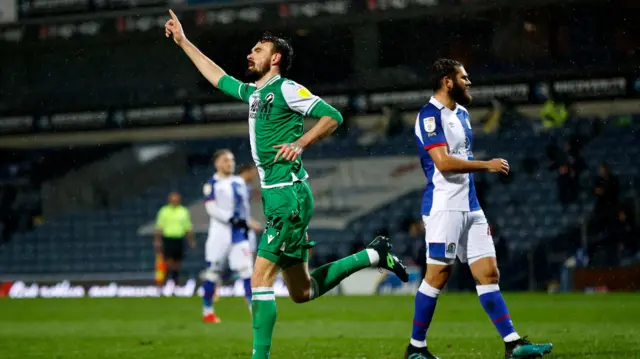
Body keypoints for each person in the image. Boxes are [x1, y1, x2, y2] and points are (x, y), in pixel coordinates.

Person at [165, 10, 409, 359]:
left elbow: (333, 116)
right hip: (280, 196)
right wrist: (184, 41)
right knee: (302, 291)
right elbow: (216, 76)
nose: (250, 54)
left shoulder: (287, 89)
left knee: (259, 280)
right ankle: (374, 254)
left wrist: (301, 143)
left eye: (258, 50)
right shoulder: (254, 94)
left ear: (275, 58)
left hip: (287, 196)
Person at [405, 58, 552, 359]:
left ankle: (513, 344)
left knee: (488, 273)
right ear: (448, 81)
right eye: (464, 77)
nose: (469, 82)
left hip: (470, 205)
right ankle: (416, 347)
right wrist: (486, 164)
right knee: (438, 276)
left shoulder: (462, 113)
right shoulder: (429, 116)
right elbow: (444, 163)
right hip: (444, 206)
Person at [201, 149, 255, 323]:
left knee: (247, 271)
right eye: (225, 160)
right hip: (220, 234)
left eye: (231, 160)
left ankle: (254, 310)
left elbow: (245, 207)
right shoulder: (212, 184)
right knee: (213, 272)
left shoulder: (239, 181)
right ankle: (207, 310)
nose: (229, 163)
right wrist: (231, 219)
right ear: (217, 163)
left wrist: (246, 224)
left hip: (239, 234)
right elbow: (211, 208)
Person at [154, 191, 195, 284]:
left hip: (179, 238)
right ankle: (169, 278)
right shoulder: (164, 211)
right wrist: (157, 240)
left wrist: (191, 240)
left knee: (177, 260)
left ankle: (175, 279)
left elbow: (187, 227)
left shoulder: (183, 211)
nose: (175, 200)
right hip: (168, 238)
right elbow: (159, 227)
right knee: (168, 259)